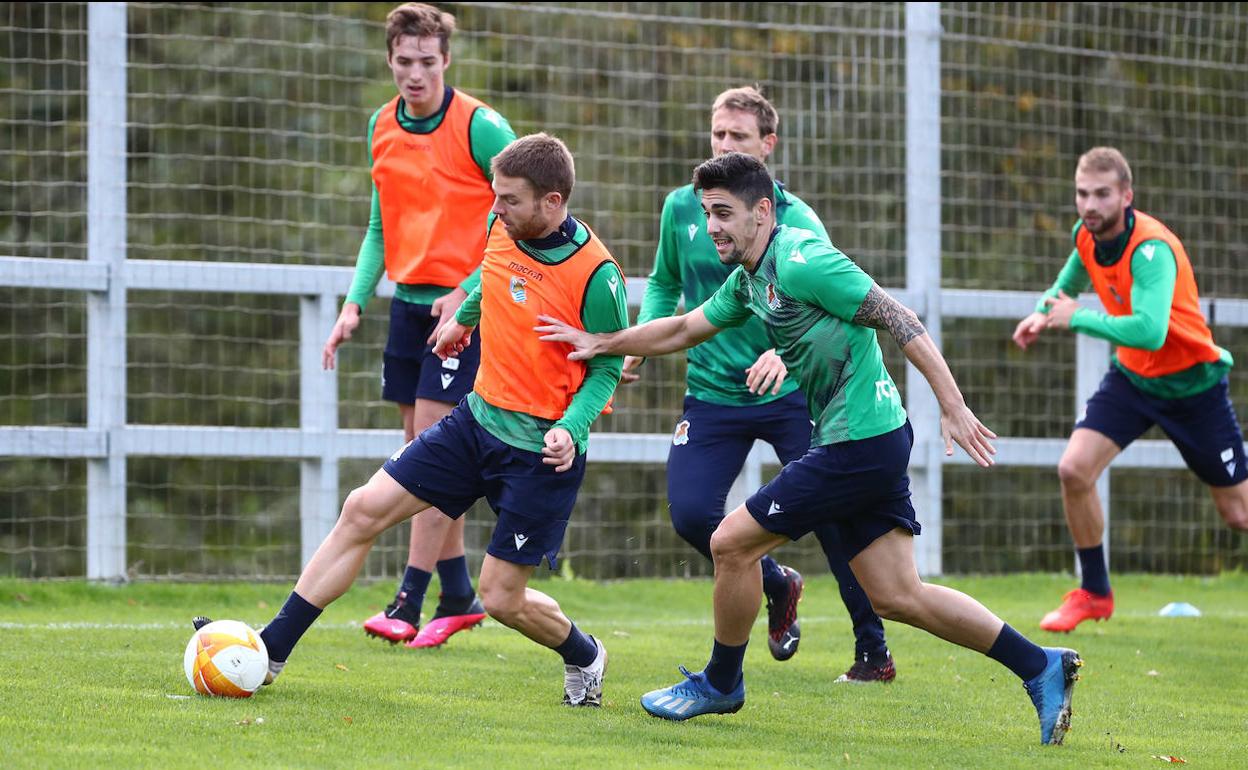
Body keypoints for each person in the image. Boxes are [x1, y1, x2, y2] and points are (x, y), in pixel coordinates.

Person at [537, 152, 1082, 744]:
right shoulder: (750, 278)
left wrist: (952, 404)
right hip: (868, 440)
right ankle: (1040, 666)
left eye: (724, 213)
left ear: (762, 211)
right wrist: (605, 342)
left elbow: (899, 317)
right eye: (706, 213)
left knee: (730, 543)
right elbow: (684, 327)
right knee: (899, 595)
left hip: (857, 444)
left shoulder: (801, 259)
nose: (712, 225)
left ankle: (721, 683)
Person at [198, 133, 628, 707]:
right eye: (495, 197)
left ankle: (584, 654)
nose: (496, 209)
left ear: (552, 202)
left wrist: (570, 429)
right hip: (474, 425)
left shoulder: (598, 275)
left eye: (510, 200)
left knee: (501, 598)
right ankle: (271, 651)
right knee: (362, 508)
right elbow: (490, 276)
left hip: (538, 455)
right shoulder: (502, 229)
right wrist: (463, 318)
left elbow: (608, 367)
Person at [626, 85, 895, 680]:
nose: (724, 143)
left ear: (767, 146)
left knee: (835, 517)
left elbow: (825, 304)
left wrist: (779, 349)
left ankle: (872, 651)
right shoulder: (685, 208)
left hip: (790, 394)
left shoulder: (797, 222)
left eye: (738, 136)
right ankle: (777, 582)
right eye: (718, 133)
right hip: (713, 394)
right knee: (693, 514)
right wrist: (639, 344)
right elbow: (666, 285)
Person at [321, 2, 516, 649]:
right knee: (419, 452)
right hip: (408, 309)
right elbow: (382, 226)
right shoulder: (382, 125)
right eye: (403, 62)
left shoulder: (482, 127)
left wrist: (467, 292)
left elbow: (514, 217)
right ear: (390, 60)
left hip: (459, 313)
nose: (414, 74)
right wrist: (354, 302)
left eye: (426, 62)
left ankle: (410, 597)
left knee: (427, 457)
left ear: (446, 61)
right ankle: (458, 592)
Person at [1012, 146, 1247, 633]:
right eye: (1082, 194)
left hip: (1192, 386)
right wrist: (1042, 311)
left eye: (1102, 194)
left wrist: (1077, 318)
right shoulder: (1086, 236)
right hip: (1134, 381)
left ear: (1126, 196)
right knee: (1074, 470)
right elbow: (1067, 284)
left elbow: (1150, 331)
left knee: (1238, 513)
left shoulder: (1151, 251)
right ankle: (1095, 593)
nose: (1090, 205)